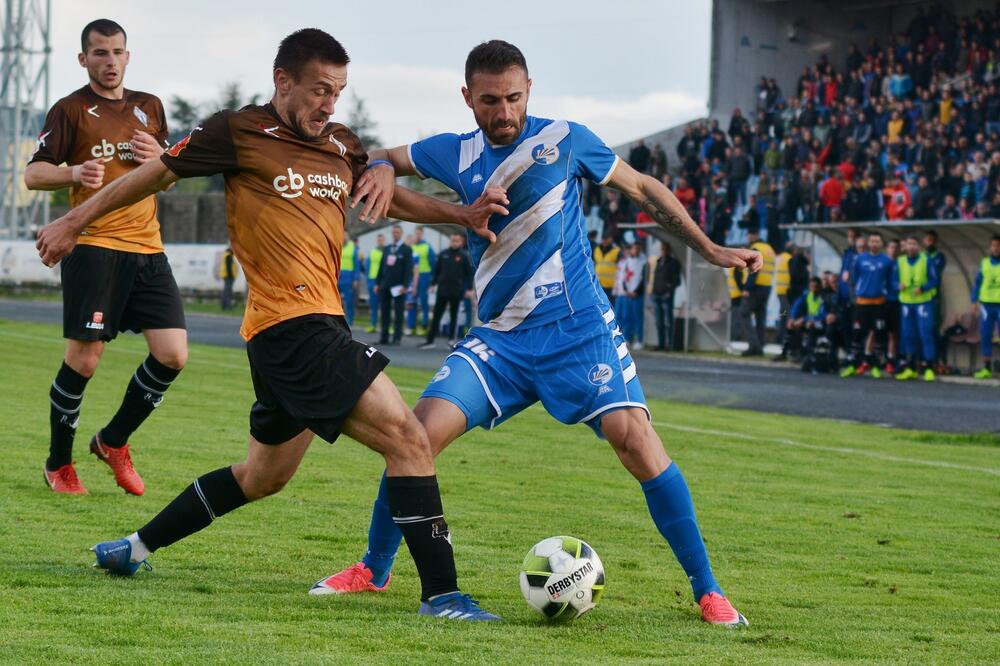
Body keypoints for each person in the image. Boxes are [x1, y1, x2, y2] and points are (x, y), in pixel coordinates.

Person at [36, 28, 506, 621]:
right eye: (319, 90)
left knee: (261, 477)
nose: (329, 104)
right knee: (408, 439)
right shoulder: (237, 131)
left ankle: (133, 548)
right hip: (293, 328)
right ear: (283, 81)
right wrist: (73, 221)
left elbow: (382, 194)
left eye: (338, 92)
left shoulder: (340, 142)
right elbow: (153, 175)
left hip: (306, 332)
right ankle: (442, 596)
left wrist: (459, 214)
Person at [315, 40, 759, 627]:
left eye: (514, 98)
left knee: (636, 442)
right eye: (490, 101)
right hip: (499, 340)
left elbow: (643, 188)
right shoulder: (452, 151)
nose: (504, 112)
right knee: (413, 437)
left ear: (529, 90)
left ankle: (708, 590)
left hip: (579, 332)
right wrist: (377, 165)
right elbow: (379, 155)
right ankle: (374, 569)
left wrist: (710, 249)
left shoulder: (567, 139)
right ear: (467, 97)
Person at [25, 19, 185, 496]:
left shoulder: (149, 106)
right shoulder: (69, 110)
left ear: (127, 56)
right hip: (94, 246)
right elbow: (34, 174)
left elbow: (169, 178)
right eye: (99, 52)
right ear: (84, 59)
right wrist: (74, 172)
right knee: (85, 360)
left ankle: (113, 441)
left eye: (117, 51)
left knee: (173, 355)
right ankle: (58, 464)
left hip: (149, 248)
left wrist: (160, 157)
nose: (110, 60)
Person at [840, 232, 893, 379]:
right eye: (872, 241)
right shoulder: (860, 259)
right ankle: (852, 365)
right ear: (868, 244)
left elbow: (890, 281)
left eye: (877, 241)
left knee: (878, 334)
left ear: (881, 244)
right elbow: (855, 278)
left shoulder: (887, 261)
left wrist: (885, 294)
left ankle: (875, 366)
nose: (874, 244)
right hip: (862, 303)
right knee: (857, 334)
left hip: (878, 303)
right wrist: (859, 293)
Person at [894, 235, 939, 381]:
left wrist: (923, 288)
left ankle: (929, 367)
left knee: (926, 334)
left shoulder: (927, 260)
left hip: (923, 303)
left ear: (919, 246)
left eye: (914, 244)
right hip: (906, 303)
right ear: (905, 246)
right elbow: (893, 280)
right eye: (909, 244)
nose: (911, 246)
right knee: (908, 335)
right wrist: (897, 285)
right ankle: (911, 368)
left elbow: (935, 280)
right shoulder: (900, 261)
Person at [420, 233, 474, 349]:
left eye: (457, 241)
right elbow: (437, 271)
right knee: (436, 315)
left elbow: (469, 274)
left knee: (454, 316)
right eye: (453, 240)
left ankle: (451, 340)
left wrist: (469, 289)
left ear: (461, 242)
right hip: (442, 290)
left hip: (456, 290)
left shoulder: (464, 256)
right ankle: (430, 341)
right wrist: (433, 284)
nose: (454, 243)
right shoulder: (443, 254)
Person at [739, 228, 775, 357]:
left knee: (744, 313)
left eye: (748, 235)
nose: (747, 238)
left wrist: (747, 288)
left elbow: (754, 269)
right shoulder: (769, 248)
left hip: (755, 287)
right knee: (760, 317)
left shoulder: (755, 248)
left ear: (753, 235)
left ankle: (753, 345)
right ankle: (760, 346)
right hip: (767, 287)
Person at [377, 225, 413, 345]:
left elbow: (408, 269)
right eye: (394, 232)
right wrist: (378, 283)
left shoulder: (406, 250)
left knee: (398, 312)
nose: (395, 234)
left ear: (401, 233)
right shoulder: (387, 248)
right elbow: (381, 266)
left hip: (399, 287)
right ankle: (384, 337)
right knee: (385, 312)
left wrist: (405, 285)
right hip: (385, 285)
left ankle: (397, 338)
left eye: (397, 232)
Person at [971, 235, 1000, 379]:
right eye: (994, 245)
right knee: (985, 335)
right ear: (990, 247)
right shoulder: (985, 263)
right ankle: (986, 368)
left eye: (998, 246)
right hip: (986, 305)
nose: (996, 248)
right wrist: (973, 301)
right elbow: (978, 282)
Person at [787, 277, 830, 373]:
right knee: (793, 326)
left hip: (821, 322)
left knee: (811, 328)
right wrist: (792, 319)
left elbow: (822, 314)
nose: (813, 289)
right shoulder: (807, 295)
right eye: (811, 286)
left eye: (815, 286)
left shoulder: (823, 298)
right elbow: (796, 306)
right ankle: (796, 352)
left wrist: (805, 319)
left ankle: (809, 355)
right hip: (809, 320)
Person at [615, 241, 647, 350]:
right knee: (626, 317)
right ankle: (627, 338)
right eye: (634, 248)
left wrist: (636, 291)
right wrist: (626, 290)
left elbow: (643, 279)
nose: (636, 250)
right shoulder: (627, 262)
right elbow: (624, 277)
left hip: (637, 294)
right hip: (627, 294)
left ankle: (639, 340)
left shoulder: (643, 262)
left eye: (638, 248)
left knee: (637, 318)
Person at [651, 241, 682, 351]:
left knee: (668, 322)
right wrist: (653, 290)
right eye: (662, 249)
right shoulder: (659, 261)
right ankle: (661, 343)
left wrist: (669, 291)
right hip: (656, 294)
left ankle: (669, 344)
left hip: (666, 295)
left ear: (669, 250)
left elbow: (676, 280)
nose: (663, 251)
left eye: (665, 249)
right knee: (659, 322)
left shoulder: (673, 263)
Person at [407, 226, 436, 335]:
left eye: (419, 233)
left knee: (423, 302)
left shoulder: (427, 247)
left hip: (424, 276)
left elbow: (433, 264)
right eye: (416, 233)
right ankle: (411, 327)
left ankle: (424, 326)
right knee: (411, 302)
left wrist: (432, 281)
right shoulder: (412, 247)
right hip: (413, 277)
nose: (418, 235)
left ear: (422, 234)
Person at [772, 242, 793, 361]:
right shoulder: (789, 259)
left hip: (780, 290)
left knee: (783, 314)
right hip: (786, 291)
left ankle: (780, 336)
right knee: (786, 315)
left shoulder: (780, 258)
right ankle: (782, 337)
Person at [364, 233, 385, 333]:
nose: (380, 242)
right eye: (379, 240)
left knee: (384, 305)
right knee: (373, 304)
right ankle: (373, 325)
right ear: (377, 241)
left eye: (382, 240)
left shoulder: (387, 252)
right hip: (373, 281)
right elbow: (367, 267)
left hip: (383, 281)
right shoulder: (372, 252)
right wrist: (369, 281)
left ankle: (384, 326)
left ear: (384, 241)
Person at [339, 234, 360, 325]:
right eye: (343, 235)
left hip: (348, 278)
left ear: (348, 237)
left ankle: (350, 321)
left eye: (346, 235)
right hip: (338, 278)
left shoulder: (353, 248)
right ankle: (338, 321)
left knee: (349, 301)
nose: (344, 237)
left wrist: (356, 279)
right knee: (336, 301)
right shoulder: (337, 245)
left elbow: (356, 265)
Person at [592, 231, 620, 301]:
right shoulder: (597, 249)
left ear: (611, 239)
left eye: (607, 239)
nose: (605, 241)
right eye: (603, 239)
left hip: (611, 286)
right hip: (598, 285)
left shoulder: (617, 251)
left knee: (611, 305)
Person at [219, 246, 238, 311]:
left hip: (227, 276)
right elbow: (229, 268)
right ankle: (227, 306)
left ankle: (224, 305)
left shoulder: (226, 256)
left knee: (226, 291)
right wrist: (232, 275)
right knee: (228, 292)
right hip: (229, 277)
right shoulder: (229, 256)